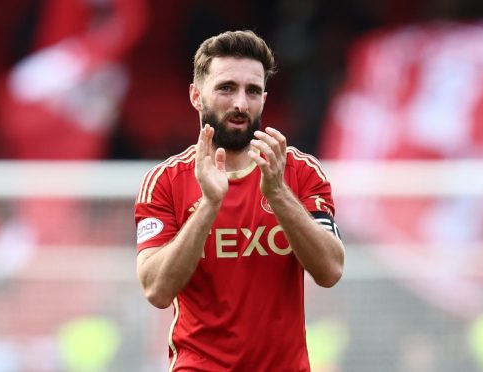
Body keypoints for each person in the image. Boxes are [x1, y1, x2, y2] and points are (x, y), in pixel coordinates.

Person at [134, 30, 345, 371]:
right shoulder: (165, 181)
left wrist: (277, 194)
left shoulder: (301, 173)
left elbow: (331, 270)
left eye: (253, 91)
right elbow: (156, 290)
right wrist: (209, 206)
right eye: (226, 88)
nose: (241, 104)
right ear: (196, 95)